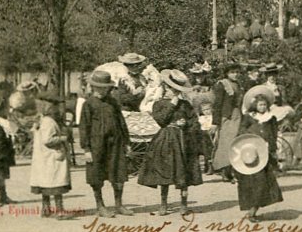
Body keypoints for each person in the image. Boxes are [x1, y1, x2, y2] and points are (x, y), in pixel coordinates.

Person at [138, 69, 202, 216]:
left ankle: (184, 204)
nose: (174, 92)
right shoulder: (159, 104)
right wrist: (172, 104)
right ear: (165, 87)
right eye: (172, 89)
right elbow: (161, 120)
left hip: (183, 140)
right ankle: (164, 203)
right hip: (166, 139)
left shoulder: (185, 104)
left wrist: (186, 124)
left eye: (177, 90)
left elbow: (194, 122)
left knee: (183, 172)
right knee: (165, 171)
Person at [79, 70, 132, 218]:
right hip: (97, 145)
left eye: (105, 88)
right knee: (97, 175)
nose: (102, 91)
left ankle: (119, 205)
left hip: (115, 143)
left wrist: (127, 143)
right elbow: (84, 127)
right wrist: (87, 149)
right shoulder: (88, 104)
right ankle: (100, 206)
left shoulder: (113, 102)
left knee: (118, 173)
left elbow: (121, 123)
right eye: (99, 88)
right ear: (93, 87)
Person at [233, 86, 283, 222]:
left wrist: (271, 146)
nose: (262, 107)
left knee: (263, 183)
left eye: (265, 105)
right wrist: (252, 139)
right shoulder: (249, 118)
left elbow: (274, 134)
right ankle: (251, 210)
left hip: (265, 155)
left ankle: (253, 211)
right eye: (260, 105)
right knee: (250, 183)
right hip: (251, 154)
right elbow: (241, 133)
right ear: (255, 105)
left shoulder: (271, 119)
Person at [30, 91, 72, 219]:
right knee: (56, 184)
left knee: (46, 184)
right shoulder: (49, 122)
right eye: (55, 106)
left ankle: (46, 209)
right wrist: (63, 138)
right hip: (52, 157)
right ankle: (59, 210)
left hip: (43, 158)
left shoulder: (41, 120)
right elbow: (48, 140)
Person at [211, 62, 244, 183]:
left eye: (237, 72)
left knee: (237, 142)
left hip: (237, 115)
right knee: (226, 143)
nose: (235, 75)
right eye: (232, 72)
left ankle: (234, 170)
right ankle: (224, 170)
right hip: (226, 117)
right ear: (226, 73)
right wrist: (215, 122)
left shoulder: (238, 85)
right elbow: (217, 104)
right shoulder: (222, 84)